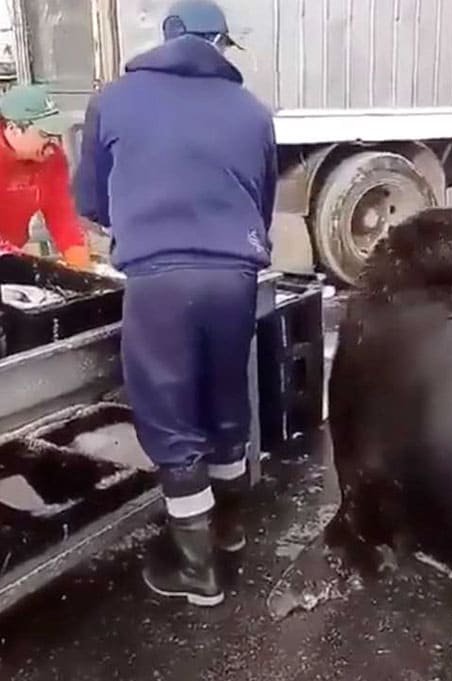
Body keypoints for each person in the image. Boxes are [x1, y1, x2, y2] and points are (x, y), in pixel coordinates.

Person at [74, 0, 278, 607]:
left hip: (159, 279)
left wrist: (133, 219)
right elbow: (261, 202)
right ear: (220, 44)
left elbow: (91, 196)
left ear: (166, 37)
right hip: (234, 275)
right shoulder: (251, 110)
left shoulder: (115, 98)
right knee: (224, 406)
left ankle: (198, 572)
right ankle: (229, 530)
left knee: (171, 421)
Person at [0, 84, 90, 268]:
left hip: (12, 253)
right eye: (45, 134)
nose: (54, 142)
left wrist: (80, 263)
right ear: (14, 128)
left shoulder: (53, 159)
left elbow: (61, 214)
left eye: (56, 133)